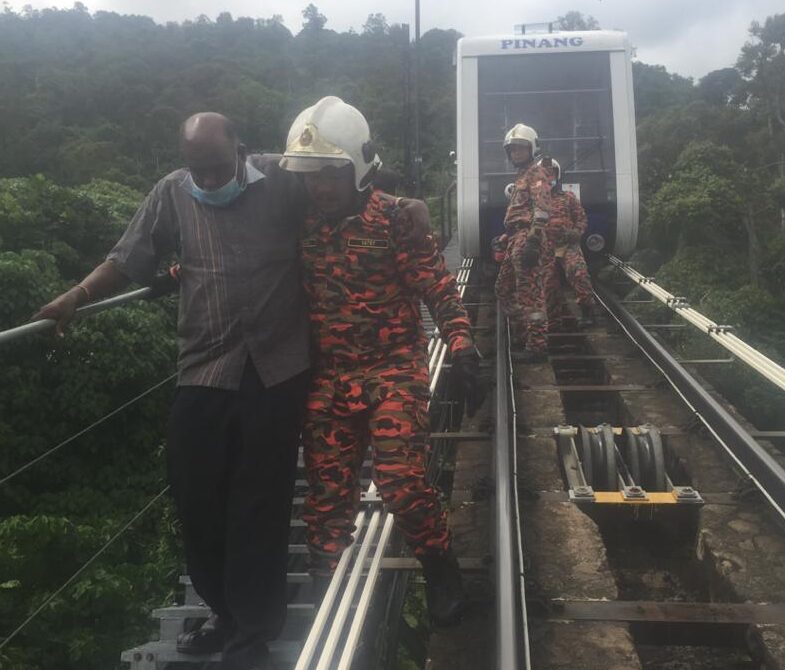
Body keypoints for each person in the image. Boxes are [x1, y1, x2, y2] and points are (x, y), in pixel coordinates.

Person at [278, 96, 484, 626]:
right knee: (325, 502)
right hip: (331, 375)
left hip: (393, 368)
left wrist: (461, 346)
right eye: (311, 175)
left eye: (331, 173)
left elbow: (438, 288)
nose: (319, 187)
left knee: (400, 478)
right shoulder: (298, 222)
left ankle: (443, 574)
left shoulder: (396, 219)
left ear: (358, 169)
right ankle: (329, 602)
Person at [493, 123, 554, 362]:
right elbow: (523, 211)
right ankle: (523, 334)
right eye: (512, 150)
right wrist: (507, 236)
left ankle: (537, 347)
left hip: (528, 239)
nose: (516, 153)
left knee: (531, 294)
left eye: (520, 148)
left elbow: (542, 209)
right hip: (516, 238)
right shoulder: (522, 176)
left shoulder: (536, 174)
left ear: (532, 149)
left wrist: (534, 240)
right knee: (503, 288)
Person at [538, 157, 597, 328]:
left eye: (552, 173)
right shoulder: (534, 200)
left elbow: (581, 218)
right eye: (545, 173)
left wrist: (576, 232)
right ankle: (553, 320)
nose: (549, 177)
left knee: (579, 274)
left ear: (558, 175)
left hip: (568, 246)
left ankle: (588, 312)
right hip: (546, 249)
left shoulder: (568, 197)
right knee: (548, 285)